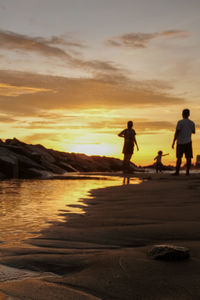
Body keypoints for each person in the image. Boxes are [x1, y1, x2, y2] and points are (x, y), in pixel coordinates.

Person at [172, 108, 195, 175]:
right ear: (189, 114)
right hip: (188, 142)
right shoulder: (192, 123)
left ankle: (177, 172)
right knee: (188, 157)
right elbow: (193, 132)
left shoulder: (180, 122)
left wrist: (173, 142)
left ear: (183, 114)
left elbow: (177, 132)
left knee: (179, 157)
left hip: (180, 142)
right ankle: (187, 172)